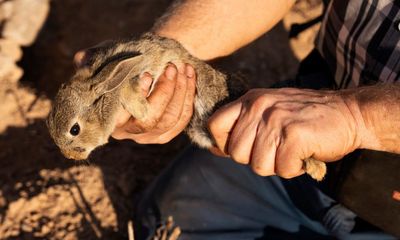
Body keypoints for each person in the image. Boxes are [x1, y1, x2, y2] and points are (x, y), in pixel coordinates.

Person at [110, 0, 400, 239]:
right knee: (167, 221)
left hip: (386, 195)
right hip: (316, 103)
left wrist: (359, 117)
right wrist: (160, 60)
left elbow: (358, 117)